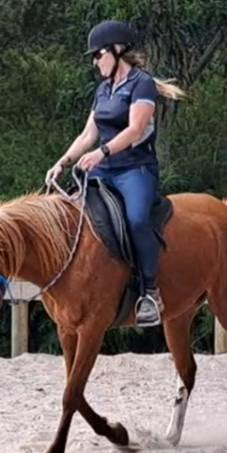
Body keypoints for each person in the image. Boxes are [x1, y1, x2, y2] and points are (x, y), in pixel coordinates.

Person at [45, 20, 185, 327]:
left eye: (98, 55)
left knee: (136, 220)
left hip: (135, 170)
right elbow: (87, 135)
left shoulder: (141, 84)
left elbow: (135, 130)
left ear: (117, 51)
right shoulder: (104, 89)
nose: (96, 62)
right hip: (103, 172)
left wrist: (103, 152)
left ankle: (149, 292)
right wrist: (63, 162)